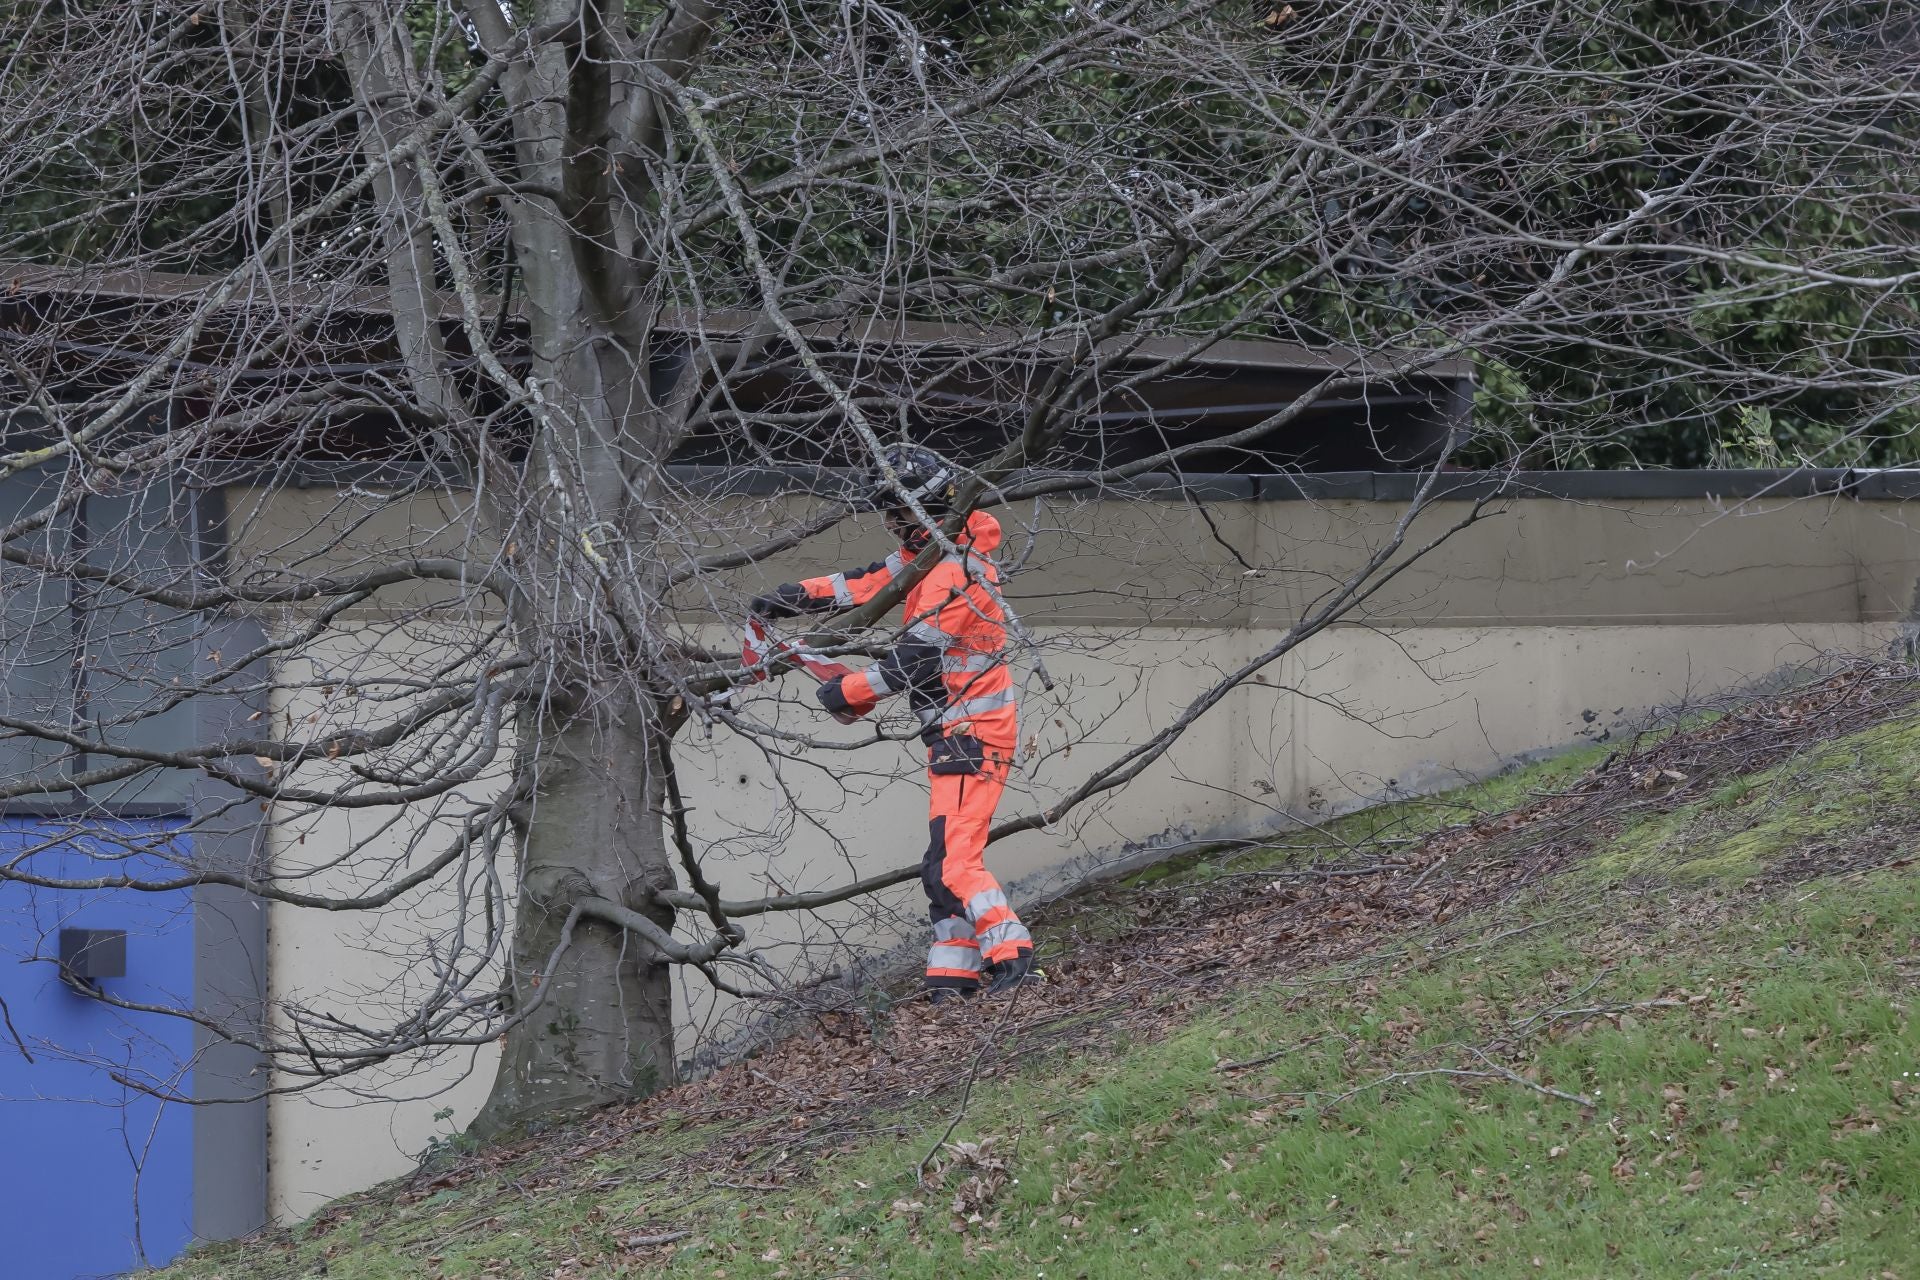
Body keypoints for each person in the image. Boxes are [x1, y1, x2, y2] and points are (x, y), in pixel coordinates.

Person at [750, 444, 1036, 1001]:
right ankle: (951, 978)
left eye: (895, 511)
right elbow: (869, 584)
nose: (888, 522)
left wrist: (844, 692)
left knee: (955, 862)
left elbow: (913, 663)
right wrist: (791, 597)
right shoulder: (936, 555)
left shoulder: (955, 572)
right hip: (957, 733)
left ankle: (1012, 952)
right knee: (941, 865)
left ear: (924, 506)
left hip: (971, 734)